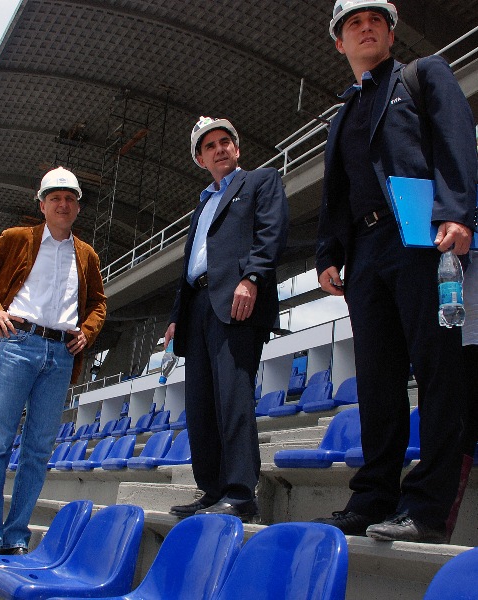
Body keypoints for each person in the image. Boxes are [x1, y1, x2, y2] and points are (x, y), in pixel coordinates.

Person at [314, 0, 477, 543]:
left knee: (438, 367)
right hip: (365, 251)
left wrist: (457, 212)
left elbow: (456, 139)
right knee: (378, 380)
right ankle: (372, 498)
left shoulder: (421, 75)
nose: (366, 28)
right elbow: (336, 192)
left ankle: (427, 507)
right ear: (339, 42)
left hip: (420, 237)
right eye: (353, 24)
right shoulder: (340, 117)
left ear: (390, 33)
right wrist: (328, 254)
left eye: (375, 21)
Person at [0, 166, 107, 555]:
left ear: (78, 207)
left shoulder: (86, 254)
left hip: (61, 353)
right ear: (42, 205)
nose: (63, 204)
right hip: (17, 343)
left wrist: (87, 331)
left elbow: (98, 302)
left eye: (70, 199)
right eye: (55, 198)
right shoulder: (17, 238)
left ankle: (15, 535)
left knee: (39, 449)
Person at [166, 117, 288, 521]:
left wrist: (251, 278)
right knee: (201, 404)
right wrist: (177, 317)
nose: (219, 149)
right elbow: (191, 264)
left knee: (233, 398)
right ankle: (213, 489)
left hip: (236, 300)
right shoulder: (201, 205)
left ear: (236, 149)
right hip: (198, 306)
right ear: (200, 159)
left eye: (225, 142)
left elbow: (270, 232)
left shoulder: (261, 181)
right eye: (209, 146)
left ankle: (240, 493)